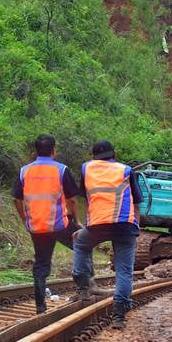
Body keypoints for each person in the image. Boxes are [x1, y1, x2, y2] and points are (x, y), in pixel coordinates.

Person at [11, 134, 95, 314]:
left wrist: (25, 219)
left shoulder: (25, 171)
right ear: (53, 151)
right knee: (83, 246)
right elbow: (72, 200)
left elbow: (16, 199)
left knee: (41, 264)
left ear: (35, 151)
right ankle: (85, 289)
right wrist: (77, 221)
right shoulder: (61, 170)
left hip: (37, 226)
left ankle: (40, 307)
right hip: (59, 224)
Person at [73, 140, 143, 329]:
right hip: (125, 225)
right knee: (124, 272)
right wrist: (136, 228)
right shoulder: (126, 170)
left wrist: (86, 225)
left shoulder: (86, 169)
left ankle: (82, 284)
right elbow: (136, 204)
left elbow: (87, 199)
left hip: (97, 224)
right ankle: (119, 315)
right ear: (114, 154)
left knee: (80, 244)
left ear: (93, 155)